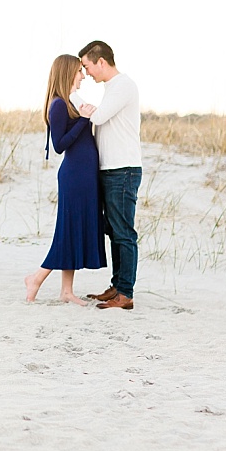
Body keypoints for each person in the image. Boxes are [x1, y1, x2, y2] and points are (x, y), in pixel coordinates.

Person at [25, 54, 107, 305]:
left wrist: (83, 117)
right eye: (79, 71)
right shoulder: (59, 104)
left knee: (72, 231)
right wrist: (83, 120)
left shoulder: (71, 101)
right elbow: (59, 145)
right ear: (68, 72)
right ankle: (36, 278)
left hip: (85, 176)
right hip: (75, 176)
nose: (83, 75)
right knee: (67, 231)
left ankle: (66, 291)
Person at [77, 40, 142, 310]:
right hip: (111, 169)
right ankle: (117, 285)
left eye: (87, 66)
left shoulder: (124, 85)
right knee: (114, 230)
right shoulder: (112, 88)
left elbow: (99, 117)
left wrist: (73, 97)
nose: (87, 73)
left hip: (123, 169)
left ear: (101, 61)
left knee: (123, 232)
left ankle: (125, 293)